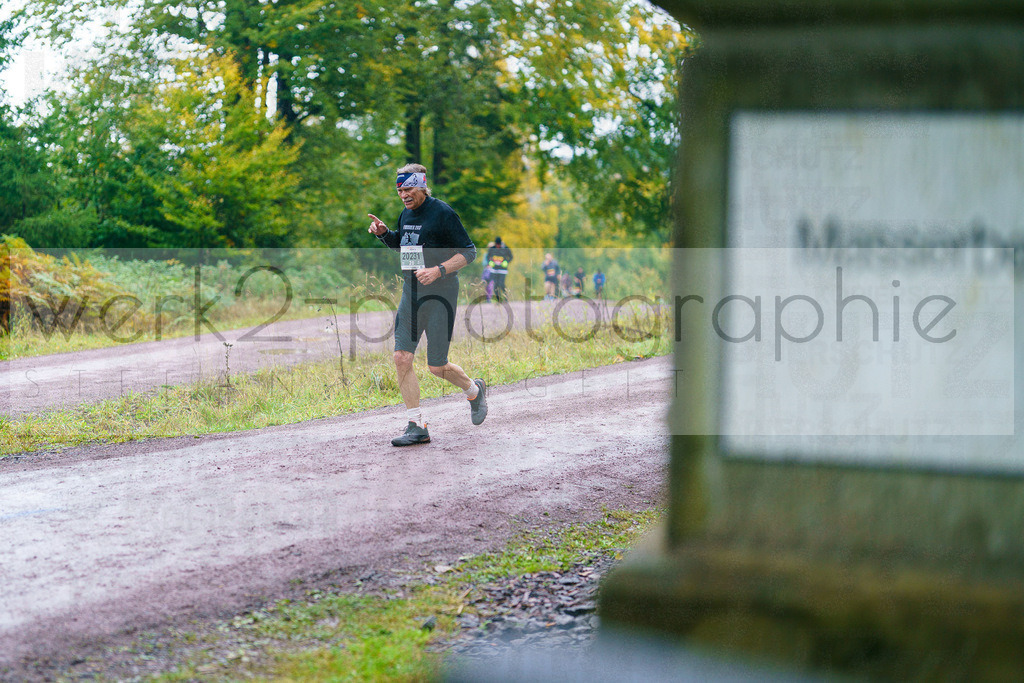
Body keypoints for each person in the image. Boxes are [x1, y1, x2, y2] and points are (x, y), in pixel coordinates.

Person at [368, 163, 488, 446]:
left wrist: (439, 270)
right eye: (399, 190)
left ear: (421, 185)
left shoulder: (443, 213)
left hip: (441, 296)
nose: (403, 195)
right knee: (401, 357)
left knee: (437, 366)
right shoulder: (405, 213)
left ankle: (474, 391)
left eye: (408, 189)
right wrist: (385, 234)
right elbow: (406, 246)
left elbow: (469, 252)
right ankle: (416, 424)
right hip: (411, 294)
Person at [485, 237, 513, 302]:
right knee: (496, 285)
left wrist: (507, 262)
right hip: (494, 270)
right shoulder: (492, 249)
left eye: (499, 244)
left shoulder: (506, 249)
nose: (498, 246)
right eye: (497, 244)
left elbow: (511, 257)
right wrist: (490, 262)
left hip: (503, 270)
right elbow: (487, 257)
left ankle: (506, 298)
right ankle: (499, 299)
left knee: (501, 284)